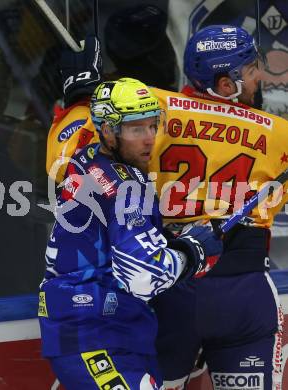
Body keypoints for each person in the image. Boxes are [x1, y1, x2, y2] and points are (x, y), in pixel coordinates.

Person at [45, 26, 288, 389]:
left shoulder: (151, 106)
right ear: (227, 83)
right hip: (240, 288)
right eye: (253, 71)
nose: (260, 79)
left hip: (170, 289)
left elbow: (64, 164)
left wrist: (80, 97)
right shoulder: (279, 132)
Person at [39, 77, 222, 390]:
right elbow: (143, 276)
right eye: (137, 129)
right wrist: (194, 250)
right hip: (98, 335)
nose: (150, 139)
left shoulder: (86, 158)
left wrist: (162, 236)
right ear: (108, 131)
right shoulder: (127, 187)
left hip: (101, 331)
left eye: (153, 126)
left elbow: (111, 235)